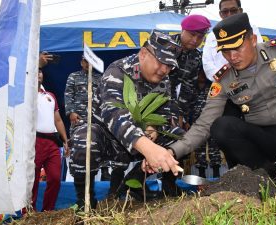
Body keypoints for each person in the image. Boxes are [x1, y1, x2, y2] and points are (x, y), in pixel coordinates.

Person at [162, 13, 276, 192]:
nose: (232, 57)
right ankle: (270, 179)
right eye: (225, 51)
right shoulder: (223, 79)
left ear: (253, 39)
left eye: (237, 48)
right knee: (221, 127)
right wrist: (171, 151)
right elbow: (204, 125)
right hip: (262, 140)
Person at [69, 30, 184, 209]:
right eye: (161, 62)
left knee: (180, 137)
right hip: (109, 139)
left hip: (139, 140)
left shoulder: (164, 80)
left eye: (169, 65)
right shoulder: (118, 71)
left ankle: (152, 185)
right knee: (85, 137)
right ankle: (85, 203)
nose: (165, 70)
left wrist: (153, 126)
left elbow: (165, 112)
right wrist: (148, 147)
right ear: (144, 54)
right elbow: (113, 113)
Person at [64, 56, 110, 180]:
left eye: (90, 61)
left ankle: (105, 170)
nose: (87, 64)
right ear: (81, 62)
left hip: (96, 117)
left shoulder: (100, 78)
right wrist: (71, 112)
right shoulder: (73, 76)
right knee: (76, 142)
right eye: (85, 61)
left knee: (100, 141)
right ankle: (75, 169)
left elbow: (104, 98)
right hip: (78, 117)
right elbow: (68, 95)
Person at [31, 69, 69, 211]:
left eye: (41, 71)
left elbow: (58, 120)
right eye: (36, 71)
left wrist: (65, 140)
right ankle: (30, 211)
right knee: (32, 179)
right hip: (34, 140)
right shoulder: (28, 94)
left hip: (52, 141)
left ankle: (47, 211)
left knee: (54, 177)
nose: (39, 73)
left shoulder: (50, 96)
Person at [202, 0, 263, 82]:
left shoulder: (251, 28)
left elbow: (258, 53)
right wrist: (225, 80)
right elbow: (207, 63)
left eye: (233, 10)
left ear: (240, 11)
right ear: (220, 14)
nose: (229, 14)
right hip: (224, 83)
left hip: (252, 78)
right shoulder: (212, 36)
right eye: (225, 11)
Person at [168, 14, 211, 128]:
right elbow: (157, 82)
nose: (195, 40)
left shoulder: (196, 56)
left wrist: (182, 115)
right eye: (192, 34)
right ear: (183, 30)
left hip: (171, 101)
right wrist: (173, 112)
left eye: (200, 37)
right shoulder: (165, 46)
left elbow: (188, 88)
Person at [190, 68, 222, 178]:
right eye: (200, 72)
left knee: (214, 148)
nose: (202, 75)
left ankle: (216, 174)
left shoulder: (212, 86)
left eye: (204, 72)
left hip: (212, 122)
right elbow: (188, 106)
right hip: (197, 124)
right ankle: (201, 175)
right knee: (199, 149)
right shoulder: (191, 88)